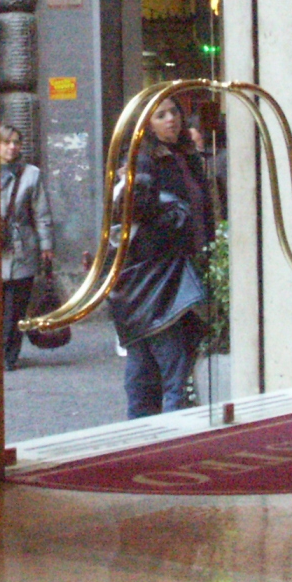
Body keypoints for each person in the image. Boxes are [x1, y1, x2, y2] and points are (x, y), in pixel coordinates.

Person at [109, 95, 214, 418]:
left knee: (147, 368)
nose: (171, 119)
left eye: (174, 112)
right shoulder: (143, 160)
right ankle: (162, 436)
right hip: (157, 277)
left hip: (174, 272)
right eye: (161, 115)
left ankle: (142, 432)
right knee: (171, 372)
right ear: (146, 124)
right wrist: (172, 215)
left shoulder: (185, 157)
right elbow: (134, 212)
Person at [0, 124, 54, 372]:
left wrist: (46, 246)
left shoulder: (31, 174)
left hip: (21, 247)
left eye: (16, 142)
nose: (12, 147)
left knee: (16, 307)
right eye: (6, 142)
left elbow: (42, 213)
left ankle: (8, 356)